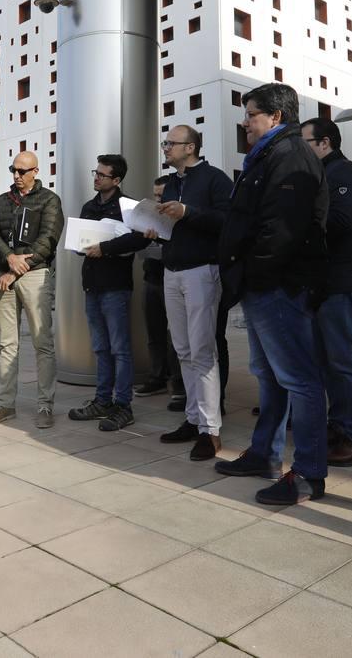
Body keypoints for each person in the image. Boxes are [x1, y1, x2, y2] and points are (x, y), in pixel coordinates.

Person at [214, 84, 329, 505]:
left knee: (300, 379)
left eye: (251, 114)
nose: (245, 122)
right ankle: (264, 454)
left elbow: (281, 229)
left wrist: (255, 274)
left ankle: (309, 474)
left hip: (279, 285)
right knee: (271, 376)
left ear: (275, 118)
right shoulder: (269, 154)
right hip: (264, 283)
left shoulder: (290, 155)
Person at [300, 118, 352, 467]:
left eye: (306, 143)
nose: (300, 151)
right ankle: (341, 427)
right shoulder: (321, 176)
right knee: (330, 362)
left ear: (325, 143)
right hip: (325, 283)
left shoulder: (345, 173)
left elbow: (342, 222)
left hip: (345, 281)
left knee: (348, 362)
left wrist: (297, 214)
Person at [155, 125, 231, 460]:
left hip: (202, 271)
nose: (166, 148)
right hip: (171, 271)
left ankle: (210, 431)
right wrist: (153, 228)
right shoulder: (171, 182)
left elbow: (227, 220)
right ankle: (192, 418)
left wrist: (188, 212)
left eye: (171, 143)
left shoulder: (215, 179)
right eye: (165, 143)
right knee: (183, 349)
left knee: (202, 351)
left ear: (191, 147)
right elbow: (171, 228)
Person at [0, 151, 64, 429]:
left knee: (43, 343)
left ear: (35, 172)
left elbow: (48, 239)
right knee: (6, 343)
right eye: (13, 170)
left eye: (22, 171)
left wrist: (16, 267)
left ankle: (45, 405)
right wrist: (9, 261)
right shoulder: (3, 201)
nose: (16, 176)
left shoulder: (49, 200)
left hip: (34, 275)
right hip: (5, 273)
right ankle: (5, 405)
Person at [67, 154, 149, 432]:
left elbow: (139, 238)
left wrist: (106, 247)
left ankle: (122, 406)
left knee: (120, 349)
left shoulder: (128, 207)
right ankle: (102, 401)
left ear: (116, 179)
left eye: (102, 174)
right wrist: (84, 244)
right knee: (101, 348)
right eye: (96, 172)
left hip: (116, 286)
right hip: (92, 284)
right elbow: (80, 240)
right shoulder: (89, 206)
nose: (96, 177)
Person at [134, 176, 181, 406]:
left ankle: (178, 383)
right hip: (150, 279)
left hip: (172, 280)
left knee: (176, 337)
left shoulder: (177, 218)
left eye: (162, 195)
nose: (158, 200)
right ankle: (157, 377)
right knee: (155, 333)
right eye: (155, 195)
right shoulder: (149, 217)